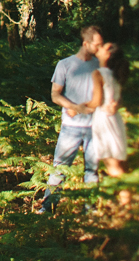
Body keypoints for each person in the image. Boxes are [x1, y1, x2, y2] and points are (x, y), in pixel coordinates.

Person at [35, 25, 103, 213]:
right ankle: (47, 207)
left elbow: (103, 96)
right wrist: (74, 107)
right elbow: (55, 95)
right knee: (60, 168)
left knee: (92, 171)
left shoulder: (99, 65)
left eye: (101, 44)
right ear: (85, 43)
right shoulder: (64, 65)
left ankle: (89, 209)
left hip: (94, 127)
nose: (99, 48)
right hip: (70, 127)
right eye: (96, 45)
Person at [89, 40, 128, 176]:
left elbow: (96, 102)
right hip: (115, 119)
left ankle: (125, 195)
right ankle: (125, 195)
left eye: (103, 48)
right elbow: (118, 99)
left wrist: (75, 106)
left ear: (108, 56)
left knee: (113, 167)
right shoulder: (114, 74)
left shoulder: (98, 74)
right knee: (119, 166)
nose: (98, 49)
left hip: (104, 121)